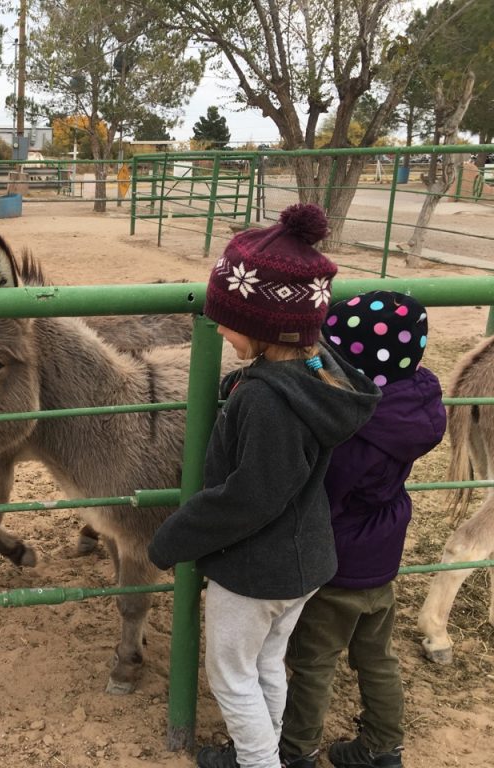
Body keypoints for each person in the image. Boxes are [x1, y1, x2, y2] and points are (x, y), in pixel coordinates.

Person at [147, 203, 381, 768]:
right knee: (267, 664)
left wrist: (173, 538)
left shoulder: (265, 401)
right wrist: (246, 378)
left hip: (257, 571)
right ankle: (270, 752)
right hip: (302, 563)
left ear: (262, 326)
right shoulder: (315, 374)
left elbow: (251, 494)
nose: (217, 326)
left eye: (226, 318)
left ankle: (258, 761)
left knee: (231, 676)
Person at [279, 291, 446, 768]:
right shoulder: (411, 405)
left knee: (313, 661)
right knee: (377, 657)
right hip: (382, 557)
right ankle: (382, 746)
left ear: (354, 363)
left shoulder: (356, 431)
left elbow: (325, 497)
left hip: (338, 565)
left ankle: (296, 750)